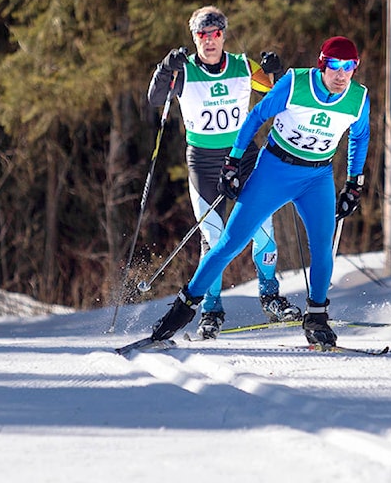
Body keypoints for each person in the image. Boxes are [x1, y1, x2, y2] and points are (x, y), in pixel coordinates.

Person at [148, 35, 370, 346]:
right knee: (229, 242)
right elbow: (256, 117)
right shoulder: (295, 84)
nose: (341, 74)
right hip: (274, 170)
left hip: (317, 177)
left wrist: (354, 183)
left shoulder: (358, 98)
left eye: (349, 67)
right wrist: (233, 160)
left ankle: (317, 317)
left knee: (322, 245)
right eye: (334, 65)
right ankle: (182, 310)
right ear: (322, 64)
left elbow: (360, 137)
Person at [147, 6, 301, 339]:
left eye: (215, 33)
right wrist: (164, 69)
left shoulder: (244, 66)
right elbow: (155, 98)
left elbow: (278, 95)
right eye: (202, 35)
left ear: (223, 35)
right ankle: (211, 309)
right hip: (203, 161)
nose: (209, 40)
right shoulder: (184, 71)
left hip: (243, 156)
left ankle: (271, 295)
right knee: (214, 238)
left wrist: (278, 70)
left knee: (264, 228)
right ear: (194, 38)